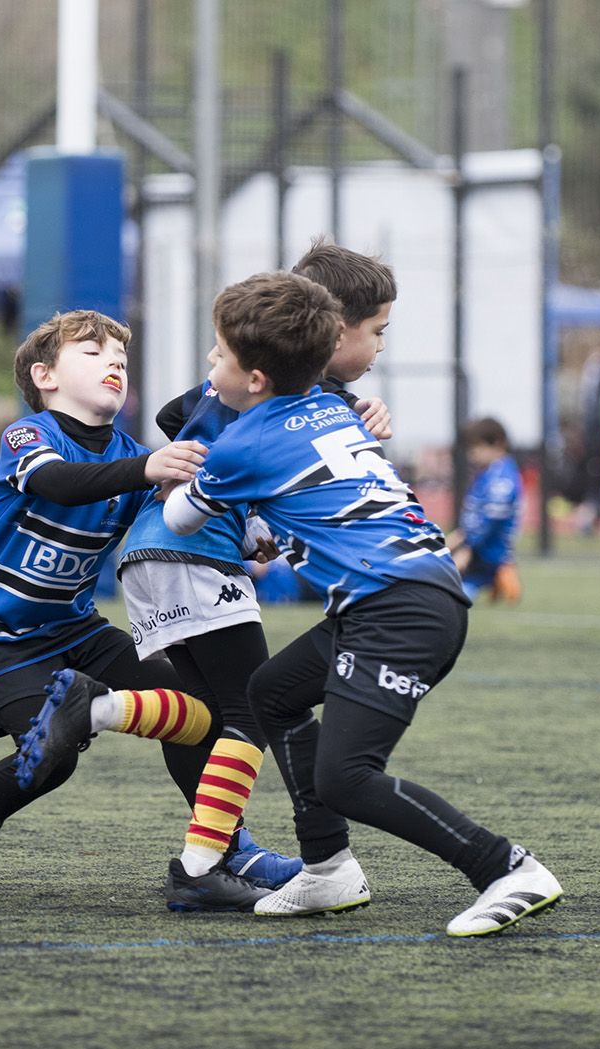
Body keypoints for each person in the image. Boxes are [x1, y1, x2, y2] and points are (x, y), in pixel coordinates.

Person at [163, 270, 561, 937]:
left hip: (398, 609)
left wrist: (192, 471)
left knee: (346, 776)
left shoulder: (241, 444)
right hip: (400, 595)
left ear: (254, 377)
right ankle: (328, 869)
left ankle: (506, 867)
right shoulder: (330, 407)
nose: (209, 367)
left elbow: (182, 516)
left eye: (217, 356)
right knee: (273, 692)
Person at [0, 308, 269, 902]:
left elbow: (169, 526)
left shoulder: (133, 453)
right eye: (93, 352)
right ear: (44, 376)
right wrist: (147, 470)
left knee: (194, 712)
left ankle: (224, 847)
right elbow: (58, 482)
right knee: (52, 760)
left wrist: (245, 523)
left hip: (78, 629)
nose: (114, 362)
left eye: (122, 358)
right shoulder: (30, 435)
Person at [116, 238, 396, 912]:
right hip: (192, 552)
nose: (381, 348)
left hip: (151, 559)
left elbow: (174, 416)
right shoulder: (294, 395)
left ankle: (221, 847)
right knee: (256, 708)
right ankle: (200, 861)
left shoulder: (276, 390)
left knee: (207, 717)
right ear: (332, 331)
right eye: (378, 332)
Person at [447, 417, 522, 602]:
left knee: (453, 592)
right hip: (477, 547)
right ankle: (498, 579)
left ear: (497, 443)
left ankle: (501, 574)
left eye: (476, 448)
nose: (471, 455)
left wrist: (468, 548)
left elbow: (491, 519)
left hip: (488, 551)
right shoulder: (487, 473)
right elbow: (475, 515)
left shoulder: (502, 478)